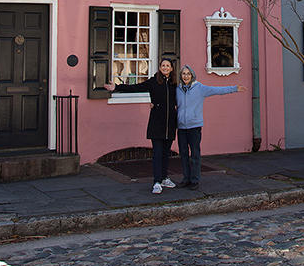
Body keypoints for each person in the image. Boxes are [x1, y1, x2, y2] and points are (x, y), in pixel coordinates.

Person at [104, 58, 178, 194]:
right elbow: (135, 87)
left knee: (166, 153)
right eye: (163, 65)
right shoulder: (154, 81)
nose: (165, 68)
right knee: (157, 153)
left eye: (168, 66)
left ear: (172, 68)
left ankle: (164, 178)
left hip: (170, 123)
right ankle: (156, 181)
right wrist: (117, 87)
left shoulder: (174, 85)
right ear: (160, 67)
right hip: (157, 122)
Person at [175, 65, 245, 190]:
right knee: (183, 154)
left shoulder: (199, 88)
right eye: (184, 74)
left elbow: (217, 90)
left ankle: (195, 180)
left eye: (188, 74)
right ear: (181, 76)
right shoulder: (178, 90)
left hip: (194, 126)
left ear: (192, 76)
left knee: (195, 154)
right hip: (181, 127)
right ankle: (186, 179)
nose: (186, 76)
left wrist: (234, 88)